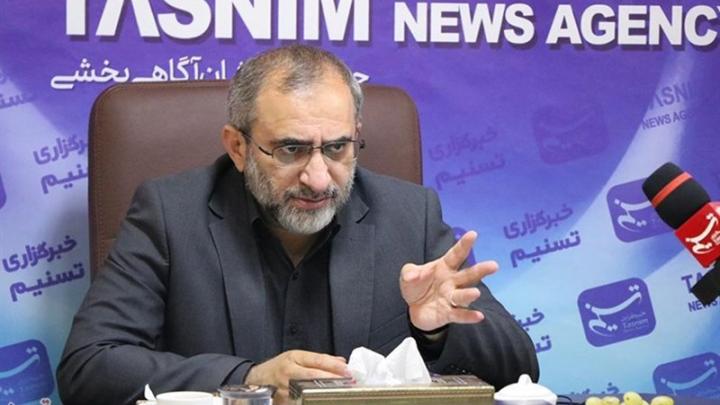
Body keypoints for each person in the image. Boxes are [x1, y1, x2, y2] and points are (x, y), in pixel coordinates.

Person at [57, 45, 538, 405]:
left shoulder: (410, 215)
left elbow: (521, 370)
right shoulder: (169, 214)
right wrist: (247, 379)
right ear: (238, 147)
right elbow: (87, 366)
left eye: (337, 148)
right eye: (291, 149)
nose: (318, 178)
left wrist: (435, 331)